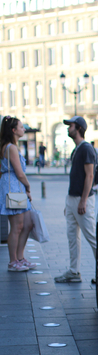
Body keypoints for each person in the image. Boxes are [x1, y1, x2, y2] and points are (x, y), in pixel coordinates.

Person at [54, 116, 98, 283]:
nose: (68, 128)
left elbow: (90, 176)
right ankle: (74, 271)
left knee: (92, 237)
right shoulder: (78, 149)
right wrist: (69, 202)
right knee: (72, 237)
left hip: (82, 200)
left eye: (70, 125)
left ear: (78, 128)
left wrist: (83, 201)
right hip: (73, 199)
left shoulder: (86, 149)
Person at [0, 116, 35, 272]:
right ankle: (13, 261)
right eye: (21, 127)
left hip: (15, 188)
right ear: (14, 130)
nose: (24, 129)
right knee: (17, 226)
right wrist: (28, 187)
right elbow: (20, 173)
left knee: (27, 224)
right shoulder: (11, 148)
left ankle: (20, 258)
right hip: (14, 188)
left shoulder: (10, 146)